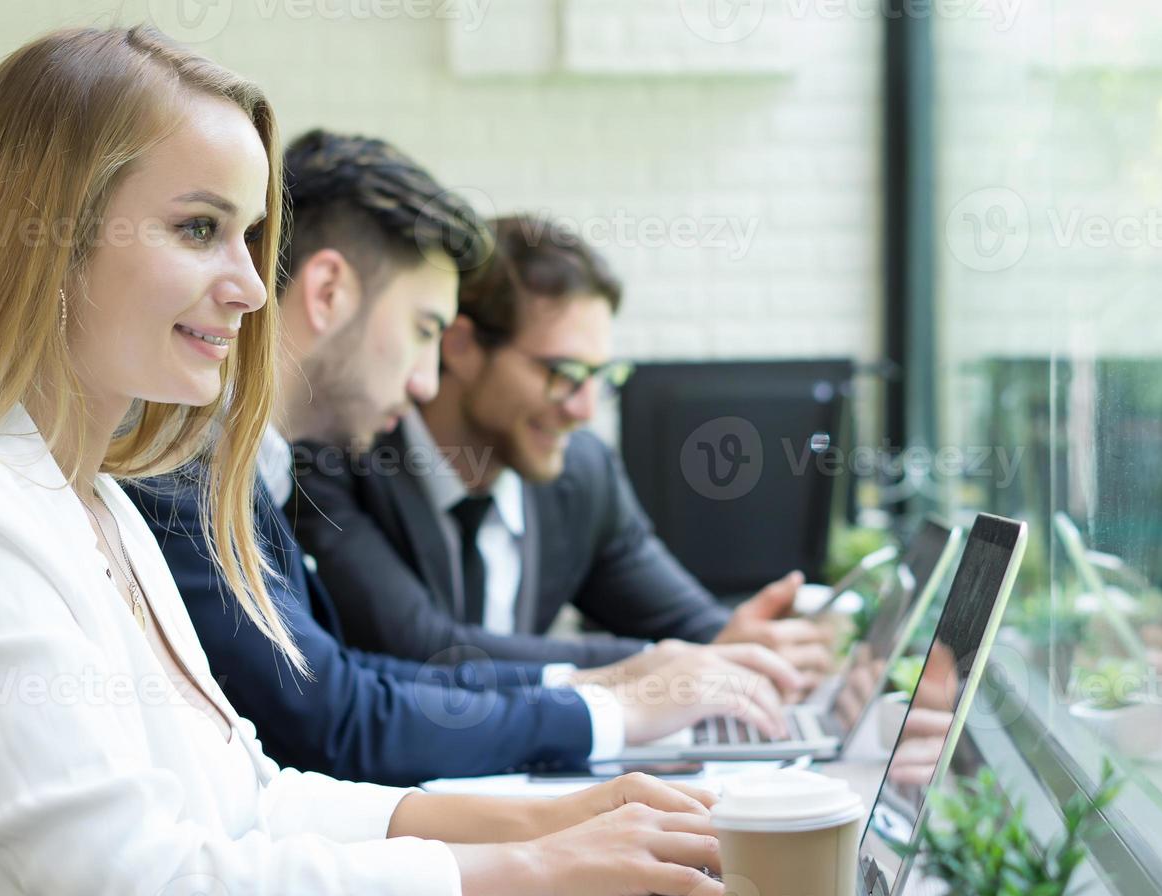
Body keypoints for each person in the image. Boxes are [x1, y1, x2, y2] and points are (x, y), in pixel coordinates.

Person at [0, 27, 728, 896]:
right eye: (200, 229)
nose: (247, 287)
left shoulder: (100, 510)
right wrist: (517, 869)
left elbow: (249, 801)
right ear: (52, 243)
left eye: (248, 237)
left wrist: (549, 819)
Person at [128, 130, 807, 786]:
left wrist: (616, 681)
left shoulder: (239, 467)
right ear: (328, 293)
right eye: (424, 330)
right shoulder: (184, 468)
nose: (426, 383)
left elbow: (356, 679)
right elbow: (341, 716)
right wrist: (612, 708)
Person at [292, 212, 836, 679]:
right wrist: (661, 667)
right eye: (564, 372)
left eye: (600, 375)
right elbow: (424, 647)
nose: (583, 409)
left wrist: (770, 651)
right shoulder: (341, 453)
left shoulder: (582, 473)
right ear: (459, 345)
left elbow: (697, 631)